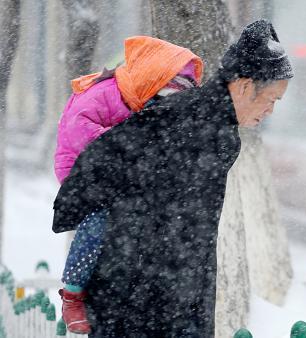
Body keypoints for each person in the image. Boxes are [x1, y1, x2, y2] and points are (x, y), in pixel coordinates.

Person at [52, 20, 293, 337]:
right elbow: (105, 161)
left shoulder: (213, 126)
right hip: (141, 309)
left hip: (158, 305)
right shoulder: (190, 120)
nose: (271, 110)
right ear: (246, 86)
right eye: (272, 98)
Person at [54, 35, 203, 334]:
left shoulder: (139, 99)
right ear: (152, 83)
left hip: (118, 172)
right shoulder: (105, 93)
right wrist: (124, 142)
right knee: (97, 224)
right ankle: (73, 292)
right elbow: (79, 131)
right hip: (82, 173)